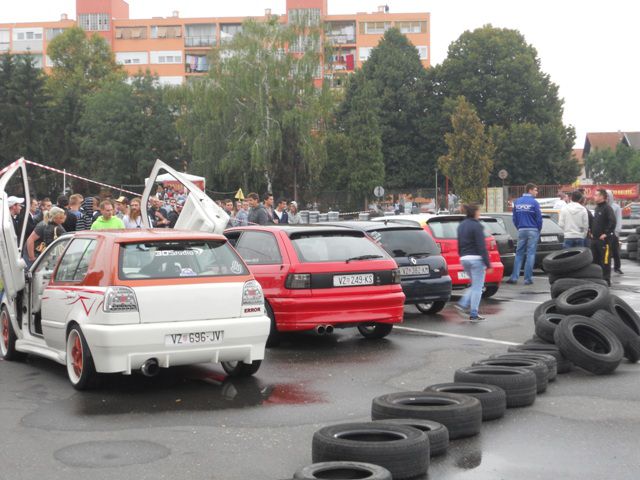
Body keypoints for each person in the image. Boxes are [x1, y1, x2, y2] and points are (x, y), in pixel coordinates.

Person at [455, 204, 491, 322]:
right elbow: (481, 246)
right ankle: (469, 309)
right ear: (474, 212)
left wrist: (462, 255)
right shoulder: (477, 226)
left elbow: (459, 243)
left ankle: (471, 310)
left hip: (464, 258)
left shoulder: (461, 225)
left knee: (475, 285)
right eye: (479, 211)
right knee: (477, 286)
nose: (479, 213)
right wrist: (488, 263)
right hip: (476, 259)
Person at [506, 183, 542, 285]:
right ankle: (527, 279)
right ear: (530, 190)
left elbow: (514, 218)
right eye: (535, 190)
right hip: (533, 230)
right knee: (530, 254)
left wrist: (519, 227)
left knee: (519, 254)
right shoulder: (534, 203)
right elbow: (539, 219)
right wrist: (538, 229)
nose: (536, 192)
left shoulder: (517, 202)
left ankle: (514, 277)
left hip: (521, 230)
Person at [591, 189, 616, 286]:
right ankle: (597, 279)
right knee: (595, 260)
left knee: (604, 260)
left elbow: (612, 222)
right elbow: (595, 223)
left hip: (604, 240)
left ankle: (606, 280)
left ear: (602, 196)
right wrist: (591, 232)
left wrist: (606, 233)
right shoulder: (597, 208)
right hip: (595, 239)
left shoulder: (607, 208)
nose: (594, 197)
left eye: (596, 195)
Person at [607, 190, 623, 274]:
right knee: (606, 251)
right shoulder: (603, 207)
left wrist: (617, 231)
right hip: (605, 233)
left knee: (615, 251)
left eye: (608, 196)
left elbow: (619, 219)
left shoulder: (616, 207)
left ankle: (617, 267)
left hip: (614, 233)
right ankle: (606, 267)